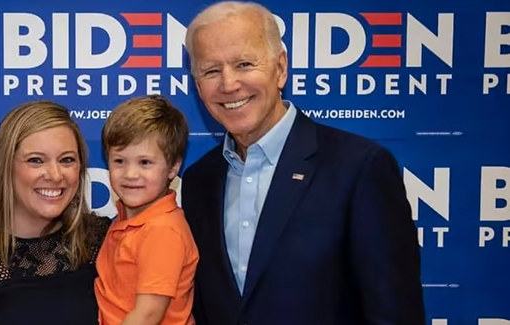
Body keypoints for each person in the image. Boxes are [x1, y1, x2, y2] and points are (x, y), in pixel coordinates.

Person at [181, 2, 425, 324]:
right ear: (198, 86)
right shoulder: (199, 180)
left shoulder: (360, 168)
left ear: (280, 68)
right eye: (212, 70)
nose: (228, 84)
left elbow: (394, 313)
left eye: (244, 64)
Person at [0, 100, 112, 325]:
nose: (55, 175)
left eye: (67, 160)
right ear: (5, 167)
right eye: (36, 160)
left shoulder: (100, 238)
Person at [95, 95, 199, 325]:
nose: (131, 174)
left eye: (145, 162)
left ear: (173, 167)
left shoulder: (162, 231)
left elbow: (148, 315)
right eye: (119, 161)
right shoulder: (126, 219)